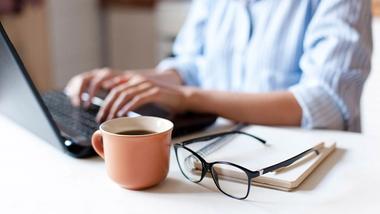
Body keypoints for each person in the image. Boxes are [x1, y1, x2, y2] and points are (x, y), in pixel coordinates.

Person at [65, 0, 372, 132]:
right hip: (223, 157)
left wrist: (190, 98)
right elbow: (193, 67)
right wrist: (129, 81)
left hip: (303, 167)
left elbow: (326, 104)